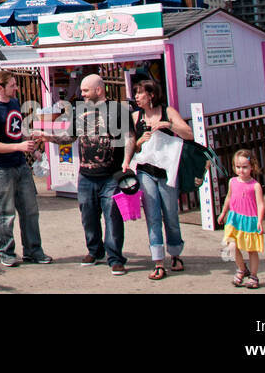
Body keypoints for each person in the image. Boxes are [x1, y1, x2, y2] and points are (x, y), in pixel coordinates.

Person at [0, 70, 52, 267]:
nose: (16, 88)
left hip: (20, 163)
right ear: (0, 88)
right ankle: (6, 252)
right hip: (1, 168)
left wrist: (31, 143)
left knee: (30, 209)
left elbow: (16, 131)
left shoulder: (14, 103)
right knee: (5, 212)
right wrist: (18, 147)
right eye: (12, 85)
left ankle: (33, 250)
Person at [126, 79, 193, 280]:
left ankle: (175, 254)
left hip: (166, 170)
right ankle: (157, 261)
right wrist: (139, 141)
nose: (136, 97)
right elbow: (130, 146)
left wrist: (168, 125)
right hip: (145, 170)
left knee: (170, 214)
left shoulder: (168, 112)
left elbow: (188, 134)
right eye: (136, 93)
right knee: (152, 215)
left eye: (140, 93)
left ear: (151, 95)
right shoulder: (135, 116)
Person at [74, 73, 133, 276]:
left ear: (99, 90)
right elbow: (69, 135)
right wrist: (46, 137)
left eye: (85, 90)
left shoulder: (119, 111)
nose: (82, 94)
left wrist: (126, 161)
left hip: (110, 175)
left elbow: (130, 137)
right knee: (88, 216)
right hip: (85, 175)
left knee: (112, 217)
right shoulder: (80, 112)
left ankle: (115, 258)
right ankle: (94, 250)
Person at [218, 149, 265, 288]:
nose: (241, 170)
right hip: (234, 219)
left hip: (250, 221)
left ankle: (254, 276)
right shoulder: (232, 181)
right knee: (232, 245)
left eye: (245, 167)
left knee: (251, 250)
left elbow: (260, 204)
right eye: (238, 167)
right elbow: (228, 197)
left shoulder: (255, 186)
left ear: (252, 167)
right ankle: (241, 269)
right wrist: (223, 213)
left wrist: (260, 221)